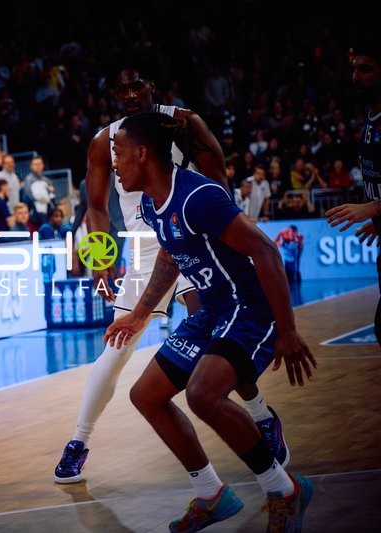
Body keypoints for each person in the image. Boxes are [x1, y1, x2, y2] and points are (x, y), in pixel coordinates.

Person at [54, 68, 289, 486]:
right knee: (115, 348)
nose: (128, 94)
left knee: (218, 333)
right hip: (148, 251)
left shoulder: (181, 123)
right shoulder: (104, 140)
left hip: (193, 236)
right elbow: (95, 207)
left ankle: (260, 416)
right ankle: (78, 440)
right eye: (120, 88)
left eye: (135, 86)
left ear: (152, 88)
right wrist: (98, 256)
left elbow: (219, 182)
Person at [108, 111, 316, 531]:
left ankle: (285, 490)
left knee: (203, 395)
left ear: (143, 153)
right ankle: (211, 494)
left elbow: (266, 251)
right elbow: (170, 255)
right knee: (146, 395)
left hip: (246, 306)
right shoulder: (151, 201)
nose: (114, 162)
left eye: (118, 152)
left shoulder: (197, 196)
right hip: (212, 310)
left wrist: (288, 330)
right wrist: (140, 313)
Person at [326, 44, 381, 346]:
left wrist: (373, 207)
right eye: (354, 69)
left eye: (366, 69)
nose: (355, 76)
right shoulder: (369, 117)